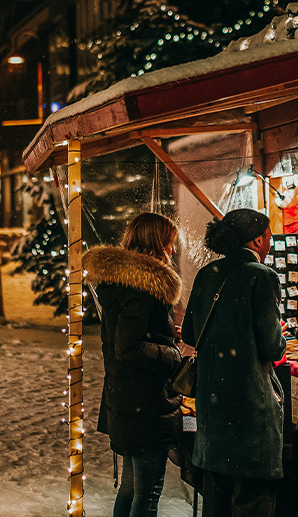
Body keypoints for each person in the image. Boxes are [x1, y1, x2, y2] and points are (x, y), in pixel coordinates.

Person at [181, 208, 287, 517]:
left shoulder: (206, 274)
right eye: (269, 237)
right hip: (250, 410)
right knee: (252, 500)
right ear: (257, 240)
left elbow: (189, 332)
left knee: (217, 500)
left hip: (214, 409)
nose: (270, 243)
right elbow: (272, 346)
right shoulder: (262, 276)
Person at [87, 213, 184, 517]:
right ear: (158, 243)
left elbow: (131, 334)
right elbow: (128, 347)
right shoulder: (144, 286)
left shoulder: (121, 283)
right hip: (145, 403)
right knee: (147, 494)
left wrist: (165, 334)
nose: (174, 249)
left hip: (126, 399)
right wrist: (172, 353)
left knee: (130, 489)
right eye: (170, 242)